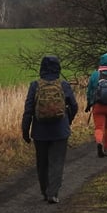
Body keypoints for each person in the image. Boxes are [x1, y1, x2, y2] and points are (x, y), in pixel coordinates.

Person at [21, 54, 78, 204]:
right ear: (58, 68)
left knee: (42, 163)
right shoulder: (63, 85)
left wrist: (25, 130)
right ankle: (53, 193)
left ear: (42, 68)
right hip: (60, 131)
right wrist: (68, 121)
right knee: (57, 162)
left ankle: (45, 191)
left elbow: (28, 110)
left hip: (40, 132)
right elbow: (74, 106)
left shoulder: (35, 85)